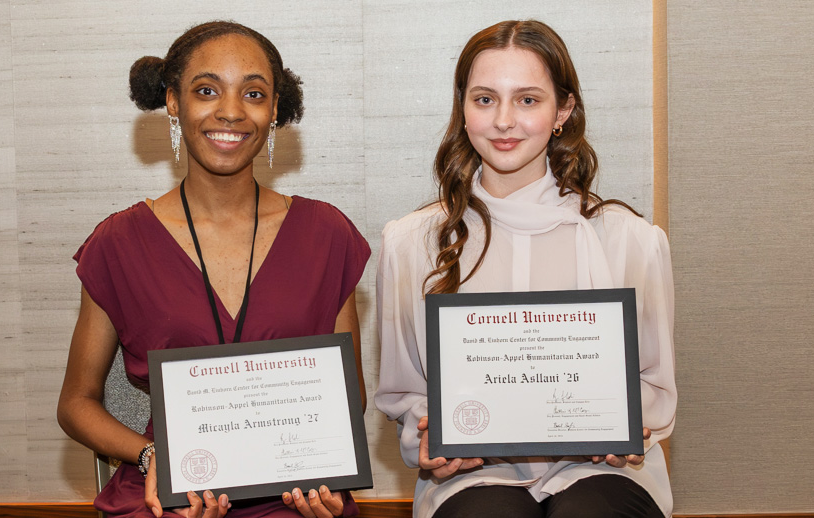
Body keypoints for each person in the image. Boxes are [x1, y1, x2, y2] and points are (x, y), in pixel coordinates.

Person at [57, 21, 369, 518]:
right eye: (207, 90)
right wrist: (151, 455)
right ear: (174, 102)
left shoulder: (326, 234)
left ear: (273, 111)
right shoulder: (118, 243)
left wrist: (324, 469)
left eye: (253, 93)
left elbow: (348, 395)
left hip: (295, 496)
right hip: (169, 491)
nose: (230, 111)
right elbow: (75, 403)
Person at [374, 20, 676, 518]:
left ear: (564, 110)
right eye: (485, 99)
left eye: (529, 100)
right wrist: (427, 438)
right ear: (463, 109)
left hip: (603, 470)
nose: (504, 121)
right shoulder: (410, 244)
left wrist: (629, 423)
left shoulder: (632, 242)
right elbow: (406, 390)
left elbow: (654, 383)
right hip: (472, 474)